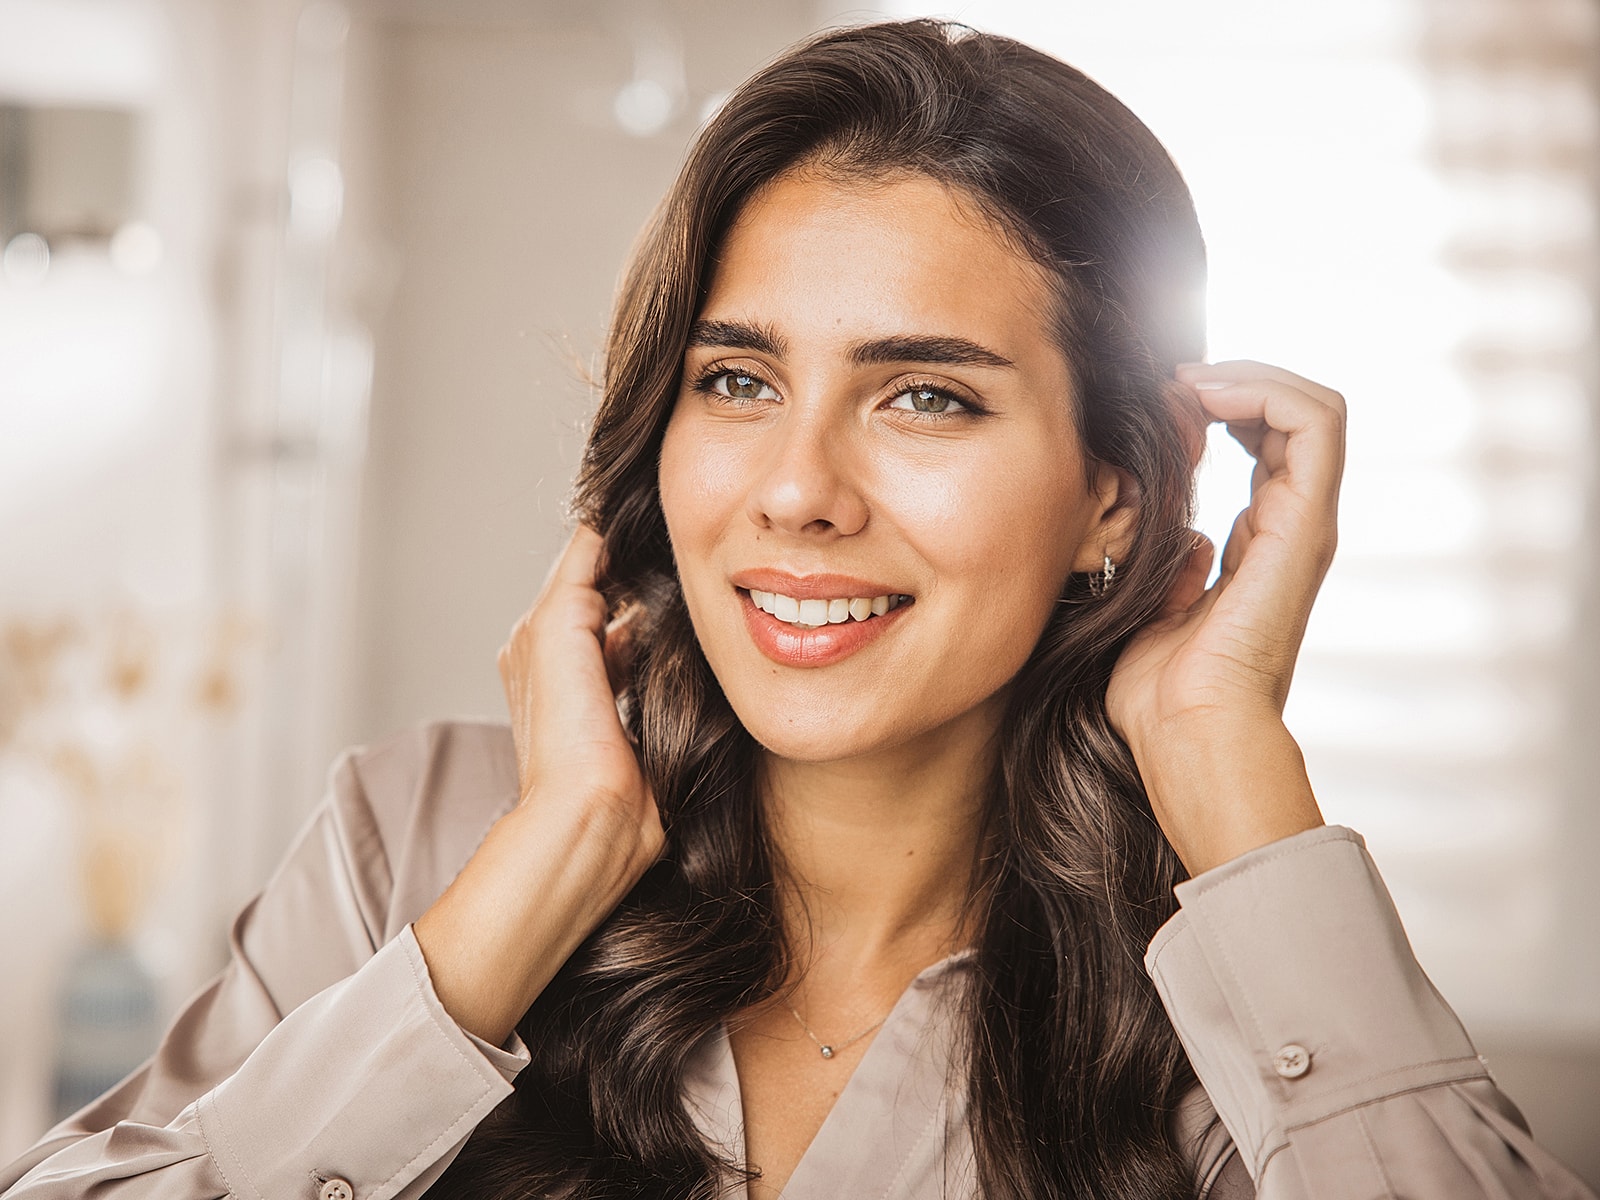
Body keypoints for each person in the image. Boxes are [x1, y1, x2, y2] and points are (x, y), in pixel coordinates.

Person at [2, 18, 1595, 1200]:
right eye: (740, 379)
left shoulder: (1223, 989)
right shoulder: (414, 838)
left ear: (1116, 488)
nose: (796, 488)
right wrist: (535, 882)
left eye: (926, 399)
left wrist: (1229, 763)